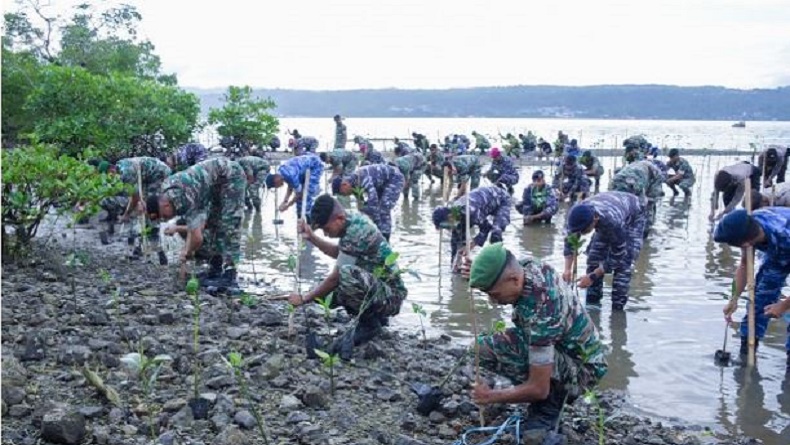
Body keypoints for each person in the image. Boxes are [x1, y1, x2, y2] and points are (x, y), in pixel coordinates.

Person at [469, 242, 607, 434]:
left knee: (536, 390)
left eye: (495, 294)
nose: (494, 301)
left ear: (514, 280)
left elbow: (539, 388)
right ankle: (535, 390)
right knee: (481, 348)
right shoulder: (525, 266)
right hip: (561, 348)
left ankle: (551, 404)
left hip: (583, 369)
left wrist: (491, 396)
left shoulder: (541, 313)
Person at [287, 194, 408, 359]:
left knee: (343, 277)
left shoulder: (356, 231)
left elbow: (335, 278)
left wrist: (304, 299)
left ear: (339, 218)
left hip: (391, 297)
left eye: (327, 229)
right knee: (328, 293)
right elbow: (340, 253)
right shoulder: (350, 221)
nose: (327, 234)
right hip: (380, 289)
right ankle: (374, 318)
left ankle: (369, 324)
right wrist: (312, 238)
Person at [146, 157, 246, 281]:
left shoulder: (182, 198)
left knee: (229, 223)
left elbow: (197, 237)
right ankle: (215, 268)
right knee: (214, 223)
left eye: (165, 216)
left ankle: (230, 275)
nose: (167, 219)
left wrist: (186, 252)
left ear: (165, 205)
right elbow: (194, 227)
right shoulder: (167, 191)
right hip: (213, 186)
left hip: (230, 175)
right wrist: (186, 249)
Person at [715, 208, 790, 367]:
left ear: (746, 242)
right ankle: (746, 359)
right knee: (758, 304)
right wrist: (733, 299)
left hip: (784, 242)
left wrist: (783, 306)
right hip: (777, 254)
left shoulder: (785, 233)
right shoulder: (747, 225)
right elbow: (744, 265)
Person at [563, 191, 646, 311]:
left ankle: (617, 313)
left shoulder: (612, 222)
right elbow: (570, 242)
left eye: (584, 230)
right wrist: (567, 270)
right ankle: (593, 308)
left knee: (623, 266)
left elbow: (617, 255)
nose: (581, 234)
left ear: (595, 221)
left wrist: (592, 276)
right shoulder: (576, 217)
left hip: (633, 217)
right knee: (594, 259)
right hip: (610, 207)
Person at [102, 156, 171, 263]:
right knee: (139, 209)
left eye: (109, 176)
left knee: (150, 209)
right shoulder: (120, 168)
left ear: (111, 170)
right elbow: (133, 196)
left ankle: (158, 251)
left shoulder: (126, 173)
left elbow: (135, 198)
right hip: (145, 176)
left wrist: (127, 214)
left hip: (158, 174)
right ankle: (137, 247)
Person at [431, 186, 512, 271]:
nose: (447, 229)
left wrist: (470, 245)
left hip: (501, 199)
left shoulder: (470, 211)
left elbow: (486, 227)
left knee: (496, 232)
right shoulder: (455, 215)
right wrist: (455, 263)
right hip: (483, 206)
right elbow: (455, 244)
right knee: (458, 239)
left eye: (446, 226)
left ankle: (498, 266)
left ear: (450, 217)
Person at [332, 164, 405, 241]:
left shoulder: (362, 178)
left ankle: (385, 237)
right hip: (381, 183)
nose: (344, 195)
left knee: (384, 208)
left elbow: (373, 203)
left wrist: (377, 226)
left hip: (394, 178)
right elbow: (362, 207)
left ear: (344, 185)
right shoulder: (353, 186)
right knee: (368, 210)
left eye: (341, 193)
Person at [609, 160, 665, 238]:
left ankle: (643, 231)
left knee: (646, 205)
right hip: (635, 178)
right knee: (641, 208)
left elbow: (643, 203)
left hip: (619, 180)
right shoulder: (614, 183)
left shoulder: (637, 174)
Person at [265, 154, 324, 222]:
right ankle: (300, 217)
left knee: (307, 194)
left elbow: (299, 194)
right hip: (303, 170)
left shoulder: (290, 176)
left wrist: (288, 206)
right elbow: (290, 186)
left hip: (315, 165)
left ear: (276, 180)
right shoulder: (281, 172)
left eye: (276, 186)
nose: (278, 187)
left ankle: (309, 220)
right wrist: (285, 201)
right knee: (299, 199)